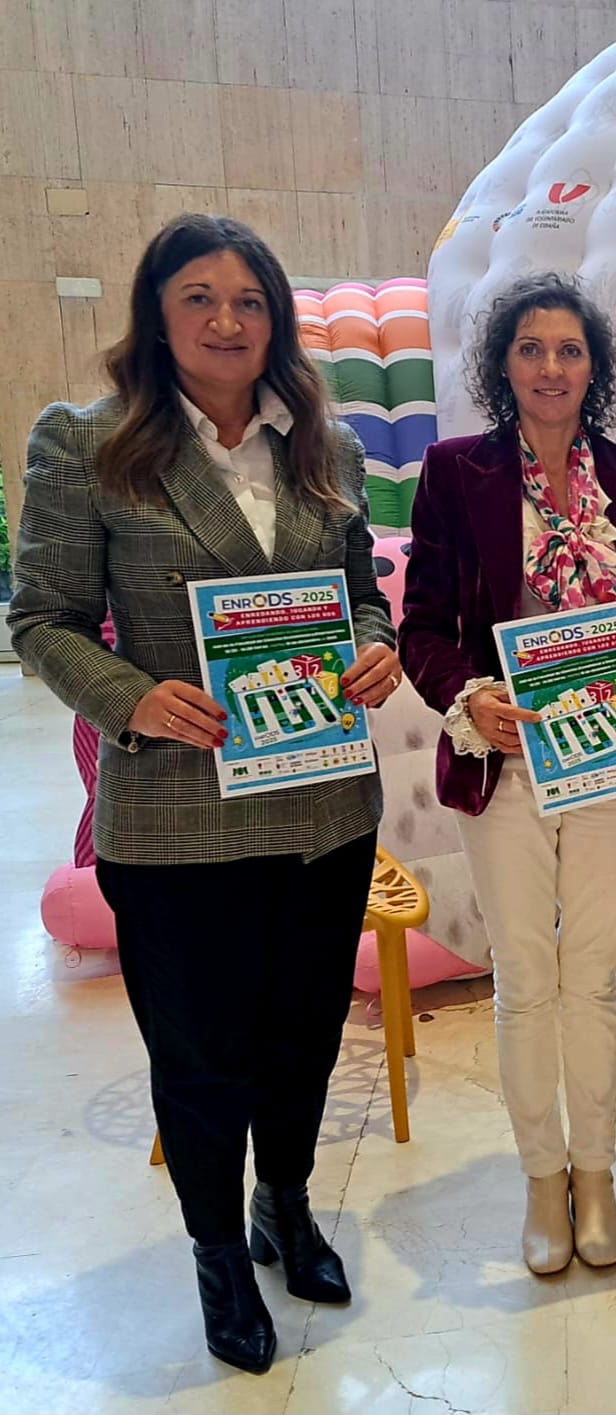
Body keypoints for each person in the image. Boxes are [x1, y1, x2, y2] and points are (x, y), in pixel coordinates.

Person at [8, 214, 403, 1373]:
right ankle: (218, 1253)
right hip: (180, 814)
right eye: (198, 297)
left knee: (305, 1038)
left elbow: (357, 595)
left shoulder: (323, 448)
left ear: (276, 316)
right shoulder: (88, 443)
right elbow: (42, 617)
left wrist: (374, 645)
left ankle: (286, 1203)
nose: (227, 321)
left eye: (247, 299)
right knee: (200, 1057)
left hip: (323, 803)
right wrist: (128, 696)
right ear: (157, 313)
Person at [399, 273, 616, 1276]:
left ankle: (597, 1174)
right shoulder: (451, 473)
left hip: (606, 756)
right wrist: (466, 699)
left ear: (594, 365)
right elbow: (422, 625)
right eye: (531, 348)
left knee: (593, 972)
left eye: (569, 350)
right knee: (524, 978)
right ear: (503, 364)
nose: (551, 367)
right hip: (504, 760)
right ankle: (540, 1178)